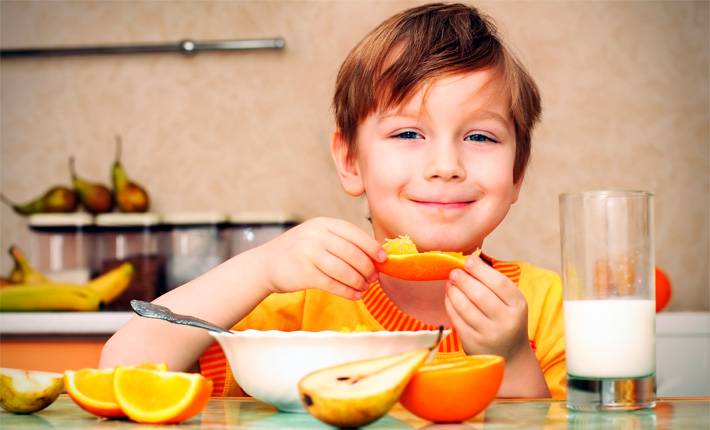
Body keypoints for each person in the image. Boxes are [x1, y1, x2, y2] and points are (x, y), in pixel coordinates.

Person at [101, 2, 565, 399]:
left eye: (480, 136)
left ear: (517, 172)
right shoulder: (297, 303)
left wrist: (509, 356)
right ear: (350, 162)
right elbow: (123, 370)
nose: (446, 165)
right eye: (408, 133)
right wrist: (259, 269)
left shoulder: (548, 305)